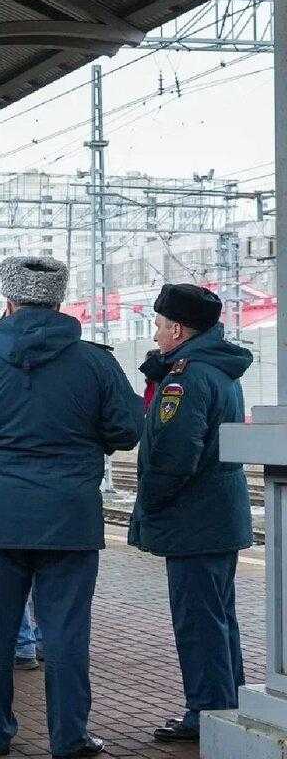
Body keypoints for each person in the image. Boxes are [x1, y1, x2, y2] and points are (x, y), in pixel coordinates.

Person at [0, 256, 143, 759]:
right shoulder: (96, 362)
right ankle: (69, 737)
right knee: (66, 634)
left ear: (8, 300)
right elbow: (127, 429)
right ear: (58, 300)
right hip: (69, 519)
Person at [127, 283, 253, 743]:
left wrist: (151, 503)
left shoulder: (186, 377)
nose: (156, 334)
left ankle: (206, 712)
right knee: (218, 616)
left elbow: (175, 454)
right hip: (218, 515)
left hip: (194, 520)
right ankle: (227, 703)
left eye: (160, 325)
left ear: (177, 328)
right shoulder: (219, 371)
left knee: (198, 621)